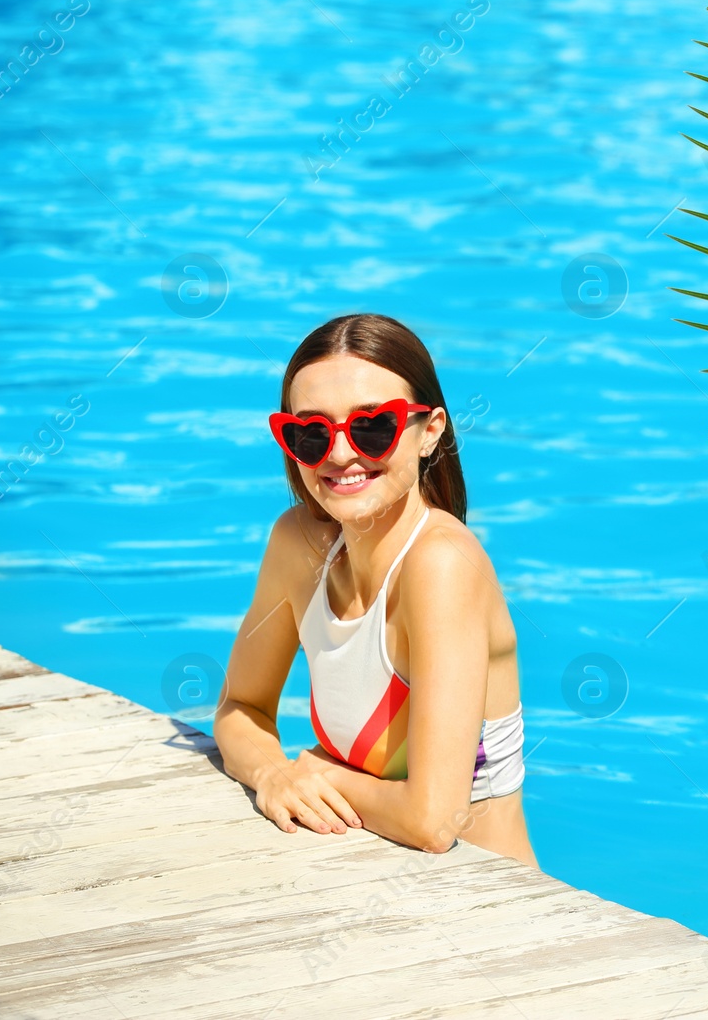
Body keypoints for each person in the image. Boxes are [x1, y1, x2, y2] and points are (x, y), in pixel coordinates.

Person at [214, 313, 535, 866]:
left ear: (430, 430)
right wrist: (272, 774)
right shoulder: (297, 545)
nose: (339, 455)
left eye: (372, 426)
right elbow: (240, 708)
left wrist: (316, 771)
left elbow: (434, 821)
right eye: (310, 433)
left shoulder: (441, 563)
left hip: (490, 910)